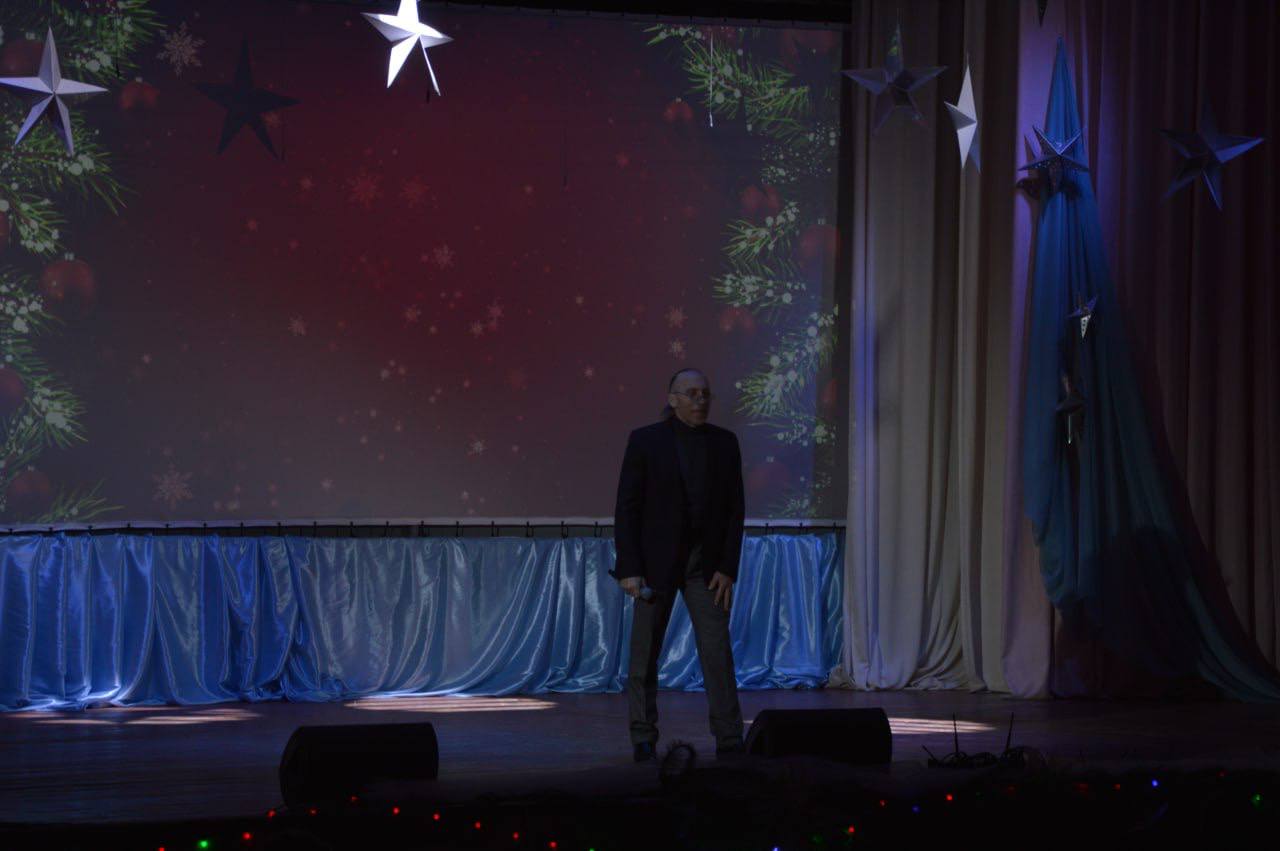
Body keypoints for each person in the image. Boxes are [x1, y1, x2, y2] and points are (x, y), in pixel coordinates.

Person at [613, 367, 746, 762]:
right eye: (691, 393)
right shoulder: (645, 441)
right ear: (672, 400)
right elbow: (627, 507)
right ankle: (642, 736)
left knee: (717, 652)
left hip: (706, 566)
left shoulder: (725, 443)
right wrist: (629, 567)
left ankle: (729, 737)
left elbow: (735, 509)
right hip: (655, 566)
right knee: (644, 655)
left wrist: (728, 566)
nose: (700, 400)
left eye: (705, 393)